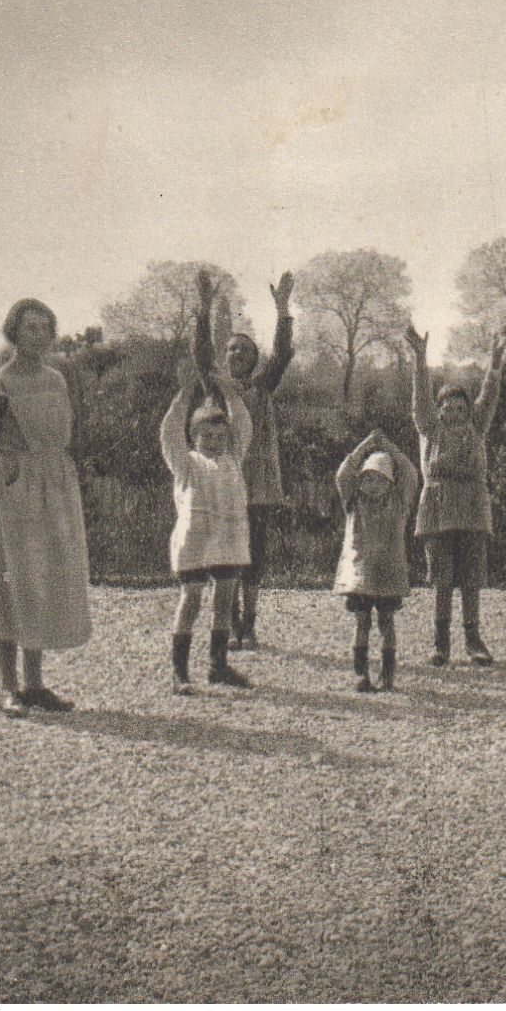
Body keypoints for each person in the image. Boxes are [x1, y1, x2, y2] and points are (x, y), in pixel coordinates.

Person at [0, 299, 92, 718]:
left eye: (43, 327)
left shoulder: (56, 380)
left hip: (52, 487)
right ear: (13, 331)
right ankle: (8, 687)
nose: (36, 334)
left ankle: (36, 685)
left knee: (40, 579)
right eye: (28, 327)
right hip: (9, 490)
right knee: (8, 582)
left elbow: (64, 435)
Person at [160, 272, 254, 694]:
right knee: (192, 601)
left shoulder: (234, 458)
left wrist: (227, 391)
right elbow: (168, 432)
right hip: (195, 541)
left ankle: (218, 665)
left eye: (219, 435)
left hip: (230, 539)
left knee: (223, 602)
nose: (214, 441)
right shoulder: (186, 464)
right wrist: (184, 399)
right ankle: (181, 672)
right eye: (206, 436)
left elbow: (243, 424)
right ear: (194, 438)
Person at [194, 272, 294, 650]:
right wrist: (203, 311)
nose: (237, 354)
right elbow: (201, 355)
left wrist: (283, 310)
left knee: (254, 552)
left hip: (258, 482)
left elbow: (282, 354)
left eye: (245, 350)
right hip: (222, 479)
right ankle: (230, 622)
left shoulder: (262, 386)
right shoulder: (215, 386)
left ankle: (248, 624)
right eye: (232, 349)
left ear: (254, 360)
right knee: (225, 552)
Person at [404, 322, 506, 667]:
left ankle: (473, 639)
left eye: (460, 407)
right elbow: (420, 398)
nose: (454, 411)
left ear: (469, 412)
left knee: (471, 579)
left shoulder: (476, 428)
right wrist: (420, 360)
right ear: (438, 411)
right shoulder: (430, 429)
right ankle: (440, 642)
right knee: (441, 579)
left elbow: (489, 396)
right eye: (447, 407)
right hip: (437, 510)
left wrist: (495, 361)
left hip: (472, 510)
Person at [333, 426, 419, 692]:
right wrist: (366, 445)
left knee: (386, 622)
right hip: (360, 575)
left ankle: (388, 672)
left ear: (390, 484)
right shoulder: (353, 504)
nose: (372, 485)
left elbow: (410, 472)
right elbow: (343, 473)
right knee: (361, 622)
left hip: (388, 573)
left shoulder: (399, 503)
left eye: (379, 479)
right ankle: (361, 673)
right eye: (367, 479)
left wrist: (389, 446)